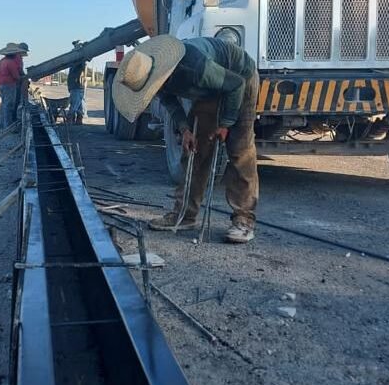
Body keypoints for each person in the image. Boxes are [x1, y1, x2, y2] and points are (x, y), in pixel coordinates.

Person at [113, 35, 259, 244]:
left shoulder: (195, 68)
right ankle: (184, 215)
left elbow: (235, 85)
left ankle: (244, 220)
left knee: (240, 150)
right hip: (213, 87)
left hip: (240, 78)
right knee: (195, 149)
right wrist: (185, 129)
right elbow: (169, 102)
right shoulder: (154, 78)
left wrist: (226, 124)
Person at [0, 42, 26, 130]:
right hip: (9, 85)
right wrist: (24, 78)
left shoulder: (2, 61)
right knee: (9, 106)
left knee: (4, 105)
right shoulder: (11, 63)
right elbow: (16, 76)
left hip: (1, 84)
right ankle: (8, 127)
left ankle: (3, 125)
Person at [67, 40, 87, 125]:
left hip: (77, 84)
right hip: (75, 84)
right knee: (78, 102)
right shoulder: (75, 57)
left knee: (77, 102)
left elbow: (83, 67)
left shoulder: (79, 57)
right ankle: (75, 118)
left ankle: (74, 118)